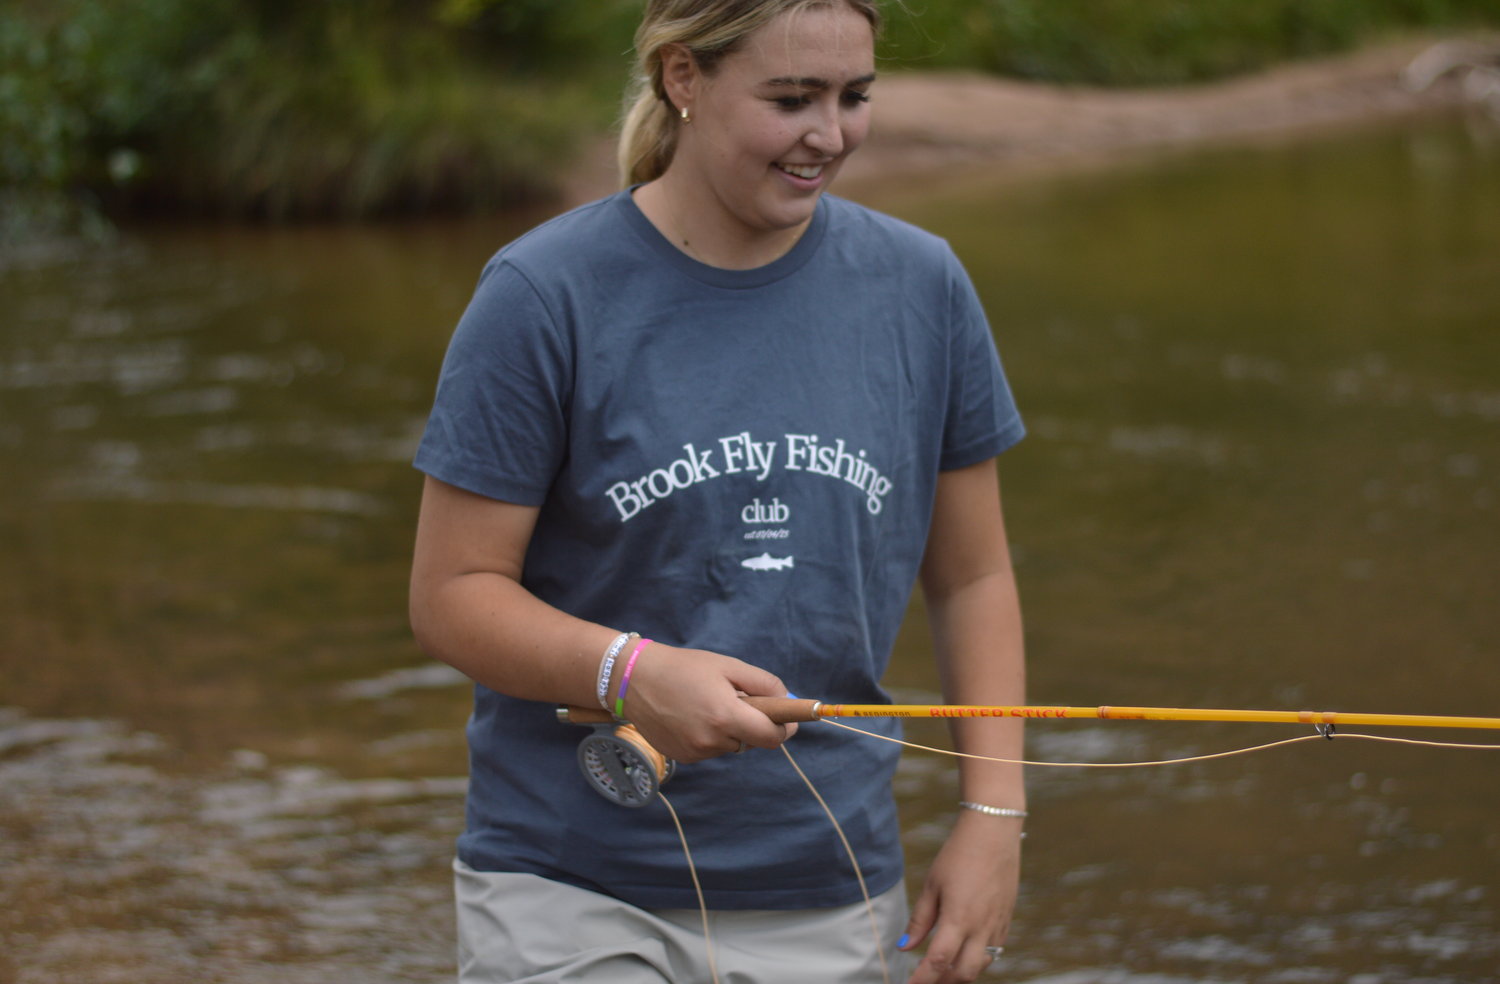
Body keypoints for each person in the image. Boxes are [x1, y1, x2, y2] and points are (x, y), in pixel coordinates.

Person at [407, 1, 1027, 981]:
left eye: (853, 96)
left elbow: (973, 579)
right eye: (791, 99)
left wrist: (993, 820)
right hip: (571, 886)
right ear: (684, 79)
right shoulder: (540, 295)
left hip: (829, 887)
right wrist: (629, 671)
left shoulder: (923, 288)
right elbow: (450, 596)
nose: (829, 135)